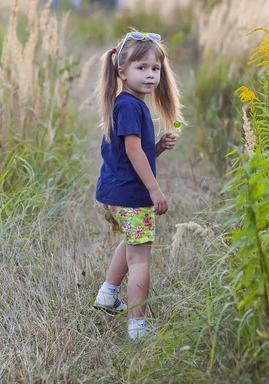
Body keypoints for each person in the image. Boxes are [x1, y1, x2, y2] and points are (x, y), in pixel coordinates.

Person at [92, 30, 185, 340]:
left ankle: (108, 293)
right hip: (131, 196)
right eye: (141, 68)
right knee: (140, 259)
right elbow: (132, 151)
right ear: (122, 72)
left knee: (132, 242)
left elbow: (135, 151)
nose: (150, 75)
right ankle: (137, 328)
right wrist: (154, 190)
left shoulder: (127, 103)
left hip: (113, 194)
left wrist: (157, 146)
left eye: (155, 68)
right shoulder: (131, 106)